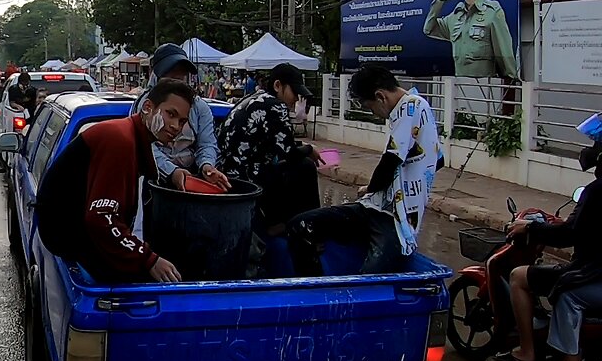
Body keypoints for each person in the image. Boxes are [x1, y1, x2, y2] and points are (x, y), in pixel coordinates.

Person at [35, 79, 194, 284]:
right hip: (71, 239)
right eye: (170, 114)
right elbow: (101, 218)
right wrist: (148, 259)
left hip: (79, 239)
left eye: (182, 121)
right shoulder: (120, 140)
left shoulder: (132, 138)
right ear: (147, 108)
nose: (175, 126)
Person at [288, 64, 442, 276]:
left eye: (370, 107)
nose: (375, 114)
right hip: (373, 208)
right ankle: (315, 290)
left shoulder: (410, 107)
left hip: (394, 220)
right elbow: (437, 160)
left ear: (380, 96)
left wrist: (370, 187)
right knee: (300, 225)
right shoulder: (419, 108)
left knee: (367, 280)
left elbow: (390, 160)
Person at [502, 135, 602, 361]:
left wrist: (530, 229)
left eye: (595, 146)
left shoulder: (596, 190)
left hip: (594, 273)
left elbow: (569, 235)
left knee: (519, 277)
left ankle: (531, 352)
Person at [219, 63, 323, 235]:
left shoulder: (256, 98)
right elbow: (289, 154)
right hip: (246, 178)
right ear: (277, 86)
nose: (296, 100)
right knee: (305, 167)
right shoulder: (276, 105)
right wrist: (309, 149)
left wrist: (303, 147)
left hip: (228, 172)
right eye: (294, 93)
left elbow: (278, 142)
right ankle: (309, 229)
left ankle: (278, 221)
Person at [132, 43, 230, 190]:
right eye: (171, 72)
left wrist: (207, 165)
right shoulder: (146, 106)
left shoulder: (199, 107)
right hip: (152, 183)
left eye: (182, 73)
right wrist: (172, 171)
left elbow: (207, 143)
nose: (177, 77)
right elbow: (144, 146)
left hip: (192, 183)